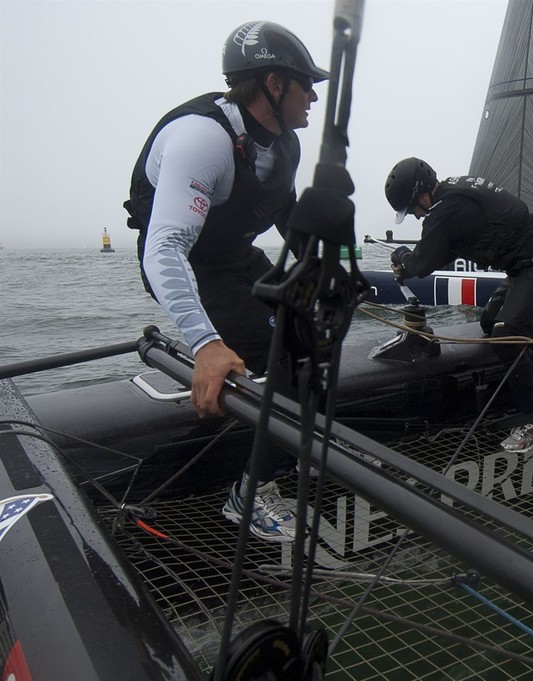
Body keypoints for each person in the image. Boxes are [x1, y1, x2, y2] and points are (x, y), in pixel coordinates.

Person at [123, 21, 330, 541]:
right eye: (305, 84)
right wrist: (206, 344)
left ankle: (298, 452)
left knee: (313, 330)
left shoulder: (285, 144)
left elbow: (287, 213)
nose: (312, 97)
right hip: (186, 263)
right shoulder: (203, 139)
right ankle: (250, 492)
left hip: (237, 255)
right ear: (272, 84)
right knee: (270, 347)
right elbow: (164, 248)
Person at [384, 158, 533, 452]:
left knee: (506, 335)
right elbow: (455, 241)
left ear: (422, 196)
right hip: (524, 265)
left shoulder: (445, 210)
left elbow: (421, 263)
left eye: (413, 211)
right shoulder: (456, 190)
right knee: (488, 322)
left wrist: (402, 256)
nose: (417, 217)